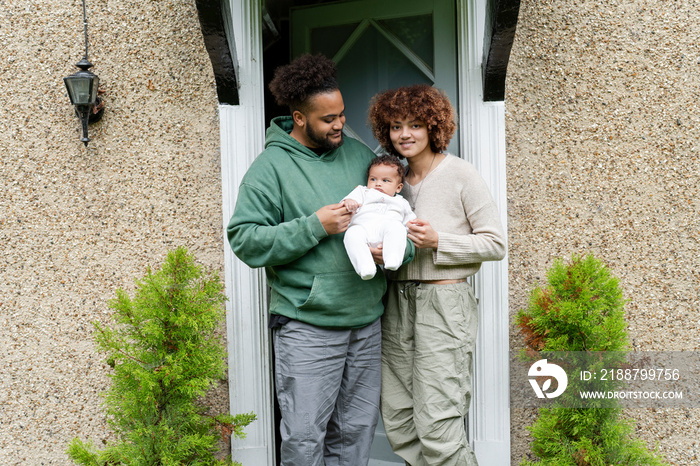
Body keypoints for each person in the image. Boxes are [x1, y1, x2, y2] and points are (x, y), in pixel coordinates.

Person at [227, 54, 415, 466]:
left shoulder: (358, 153)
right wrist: (314, 226)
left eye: (343, 114)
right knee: (306, 437)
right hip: (307, 327)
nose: (340, 124)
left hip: (365, 321)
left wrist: (397, 252)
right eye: (328, 118)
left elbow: (400, 214)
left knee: (356, 434)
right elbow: (244, 239)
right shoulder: (269, 169)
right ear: (298, 117)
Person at [367, 84, 507, 466]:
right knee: (398, 418)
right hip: (395, 303)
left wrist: (438, 241)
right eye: (396, 126)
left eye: (414, 124)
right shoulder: (388, 183)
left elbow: (495, 243)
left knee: (438, 424)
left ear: (434, 127)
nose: (405, 134)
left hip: (444, 304)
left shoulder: (461, 174)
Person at [342, 155, 416, 280]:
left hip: (385, 236)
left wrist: (414, 226)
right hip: (362, 230)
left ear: (398, 187)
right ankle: (365, 267)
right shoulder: (363, 192)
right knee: (351, 234)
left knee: (397, 227)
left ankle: (393, 258)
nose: (378, 184)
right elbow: (347, 201)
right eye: (373, 179)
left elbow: (410, 221)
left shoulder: (401, 202)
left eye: (385, 181)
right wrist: (349, 201)